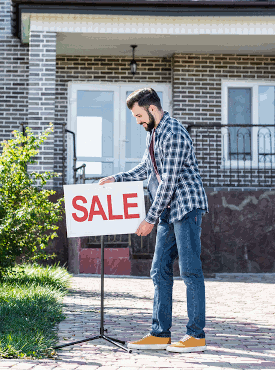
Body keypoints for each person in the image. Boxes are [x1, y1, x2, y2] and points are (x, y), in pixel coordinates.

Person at [98, 87, 209, 353]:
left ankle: (196, 336)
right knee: (159, 270)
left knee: (190, 270)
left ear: (151, 108)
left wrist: (149, 218)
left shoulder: (173, 132)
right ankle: (160, 334)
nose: (137, 122)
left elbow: (168, 183)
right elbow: (146, 168)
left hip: (186, 206)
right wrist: (117, 178)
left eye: (138, 116)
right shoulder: (155, 133)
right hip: (169, 210)